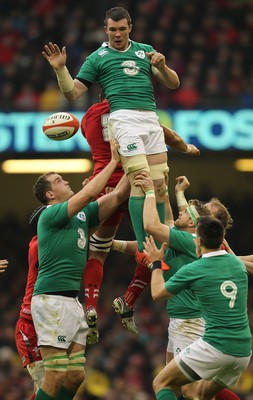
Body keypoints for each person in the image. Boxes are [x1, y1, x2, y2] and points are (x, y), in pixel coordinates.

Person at [42, 7, 180, 317]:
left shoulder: (146, 52)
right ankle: (147, 242)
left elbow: (173, 84)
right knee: (140, 180)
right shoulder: (98, 58)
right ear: (105, 29)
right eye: (112, 30)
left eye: (122, 29)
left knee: (159, 185)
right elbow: (71, 92)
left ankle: (152, 241)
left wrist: (164, 65)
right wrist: (60, 69)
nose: (117, 34)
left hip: (149, 118)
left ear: (130, 27)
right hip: (124, 120)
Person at [81, 92, 200, 342]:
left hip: (104, 184)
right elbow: (172, 137)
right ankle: (128, 300)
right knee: (155, 245)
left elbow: (92, 139)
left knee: (98, 251)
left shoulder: (89, 117)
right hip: (136, 182)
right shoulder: (138, 113)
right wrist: (187, 148)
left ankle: (90, 304)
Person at [30, 139, 129, 400]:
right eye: (59, 180)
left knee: (75, 376)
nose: (66, 182)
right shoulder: (49, 214)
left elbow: (118, 195)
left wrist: (137, 161)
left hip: (72, 300)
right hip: (51, 300)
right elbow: (87, 194)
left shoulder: (82, 216)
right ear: (50, 194)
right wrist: (114, 162)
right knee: (55, 375)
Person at [143, 216, 252, 400]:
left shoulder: (195, 269)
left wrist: (156, 264)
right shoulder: (238, 265)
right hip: (243, 351)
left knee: (161, 383)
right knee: (201, 394)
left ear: (199, 241)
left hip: (216, 346)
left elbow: (157, 293)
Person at [15, 205, 46, 400]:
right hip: (30, 324)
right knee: (45, 385)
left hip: (48, 319)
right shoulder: (39, 244)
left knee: (60, 382)